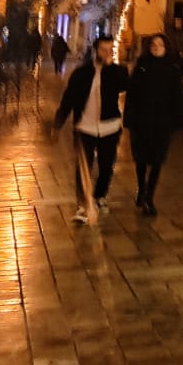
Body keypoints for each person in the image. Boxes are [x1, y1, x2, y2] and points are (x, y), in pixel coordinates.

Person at [53, 37, 130, 224]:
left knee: (106, 165)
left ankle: (99, 195)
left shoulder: (118, 71)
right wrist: (58, 122)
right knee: (84, 167)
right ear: (95, 50)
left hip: (109, 127)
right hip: (84, 127)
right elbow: (68, 98)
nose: (107, 53)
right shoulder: (81, 73)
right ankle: (83, 204)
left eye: (110, 49)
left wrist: (111, 67)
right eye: (103, 49)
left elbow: (124, 85)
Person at [125, 34, 183, 217]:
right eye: (153, 44)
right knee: (141, 159)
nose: (156, 47)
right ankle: (142, 188)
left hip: (162, 123)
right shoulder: (142, 66)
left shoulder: (173, 69)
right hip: (142, 122)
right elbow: (132, 93)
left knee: (158, 161)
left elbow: (178, 97)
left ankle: (149, 197)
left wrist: (178, 120)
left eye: (160, 44)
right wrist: (129, 118)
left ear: (166, 47)